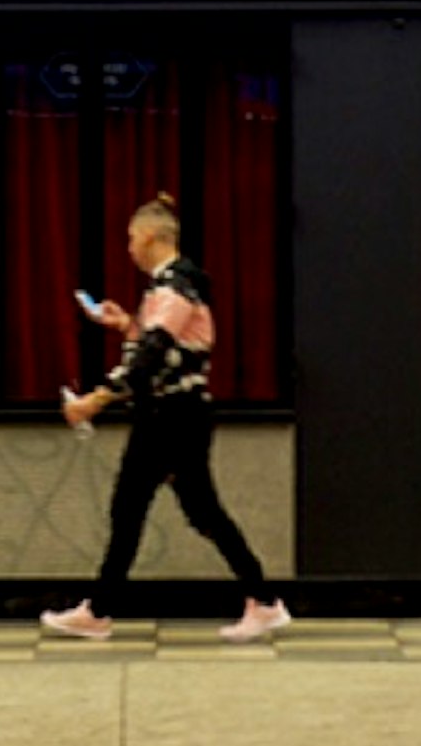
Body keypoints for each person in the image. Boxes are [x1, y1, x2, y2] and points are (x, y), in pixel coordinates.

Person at [39, 194, 289, 644]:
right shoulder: (171, 287)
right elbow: (163, 345)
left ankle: (101, 611)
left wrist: (95, 400)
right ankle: (259, 599)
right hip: (172, 415)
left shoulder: (174, 287)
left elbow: (151, 358)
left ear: (152, 236)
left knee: (156, 509)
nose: (129, 248)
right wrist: (125, 327)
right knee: (169, 509)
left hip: (173, 416)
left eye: (132, 238)